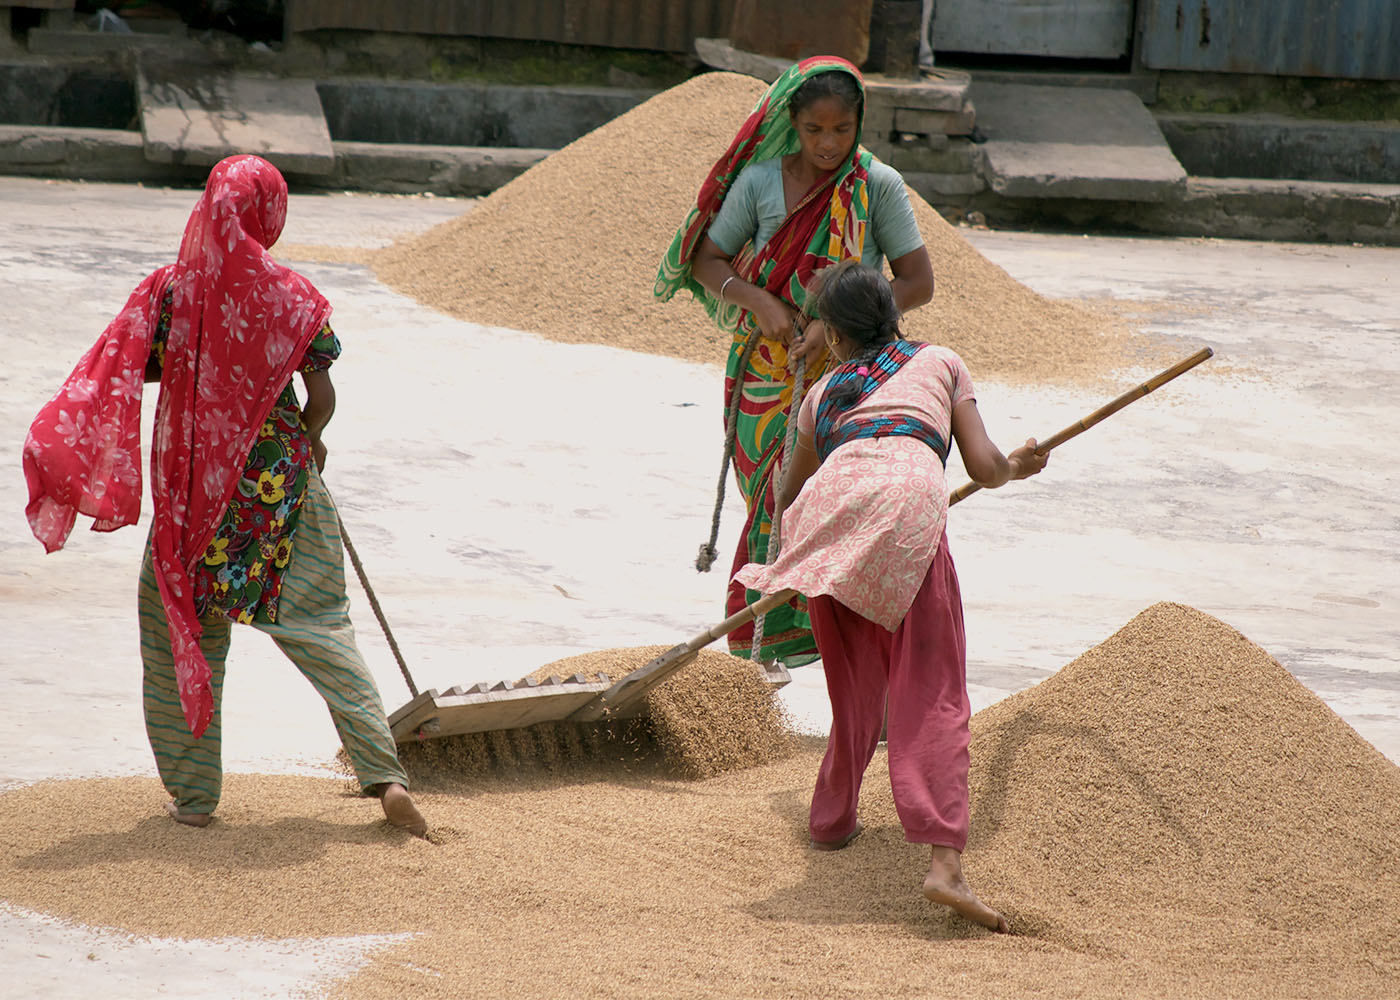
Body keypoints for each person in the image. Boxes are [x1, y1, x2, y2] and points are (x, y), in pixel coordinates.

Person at [22, 154, 426, 837]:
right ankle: (384, 775)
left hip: (195, 501)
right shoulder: (296, 298)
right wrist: (312, 438)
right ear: (268, 214)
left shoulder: (170, 293)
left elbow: (131, 370)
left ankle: (195, 797)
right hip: (283, 490)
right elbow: (320, 395)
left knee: (179, 628)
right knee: (322, 623)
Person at [734, 261, 1046, 933]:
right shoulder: (941, 362)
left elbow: (786, 493)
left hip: (826, 516)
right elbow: (987, 468)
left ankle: (831, 820)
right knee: (930, 688)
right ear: (893, 317)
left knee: (855, 687)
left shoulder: (824, 394)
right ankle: (945, 868)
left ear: (837, 339)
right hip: (905, 509)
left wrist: (801, 548)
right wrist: (1022, 463)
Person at [656, 55, 935, 667]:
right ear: (792, 122)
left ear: (860, 123)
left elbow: (917, 280)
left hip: (853, 374)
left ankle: (854, 652)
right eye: (815, 130)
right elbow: (708, 261)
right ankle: (764, 648)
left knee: (836, 504)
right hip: (764, 373)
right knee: (774, 501)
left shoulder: (876, 186)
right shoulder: (758, 182)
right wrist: (757, 302)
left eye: (842, 130)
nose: (829, 144)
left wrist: (842, 324)